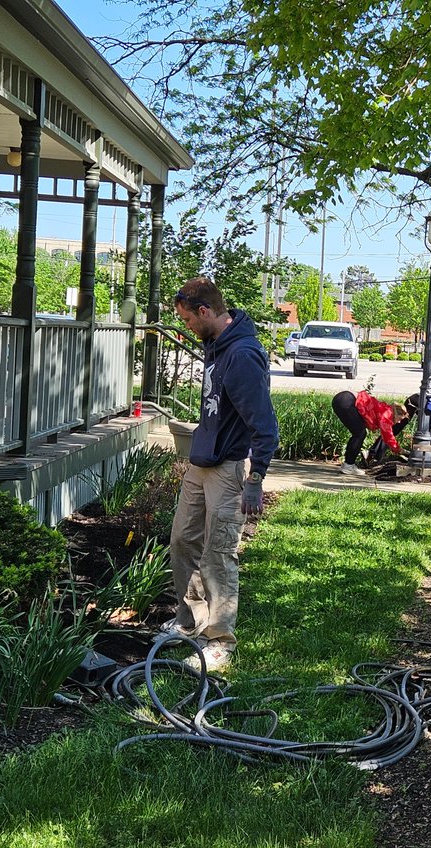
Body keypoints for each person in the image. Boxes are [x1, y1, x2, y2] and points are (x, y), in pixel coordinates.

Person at [165, 277, 279, 672]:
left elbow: (265, 424)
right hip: (202, 462)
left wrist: (256, 478)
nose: (187, 328)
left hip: (228, 468)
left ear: (205, 312)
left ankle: (220, 642)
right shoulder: (215, 347)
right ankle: (190, 621)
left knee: (218, 554)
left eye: (188, 321)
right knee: (182, 540)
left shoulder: (242, 356)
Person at [333, 390, 411, 475]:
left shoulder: (385, 409)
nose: (399, 422)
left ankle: (348, 464)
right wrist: (399, 450)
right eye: (400, 419)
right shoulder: (387, 415)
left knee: (359, 433)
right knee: (360, 434)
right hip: (346, 401)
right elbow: (388, 436)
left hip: (344, 398)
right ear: (396, 414)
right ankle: (348, 465)